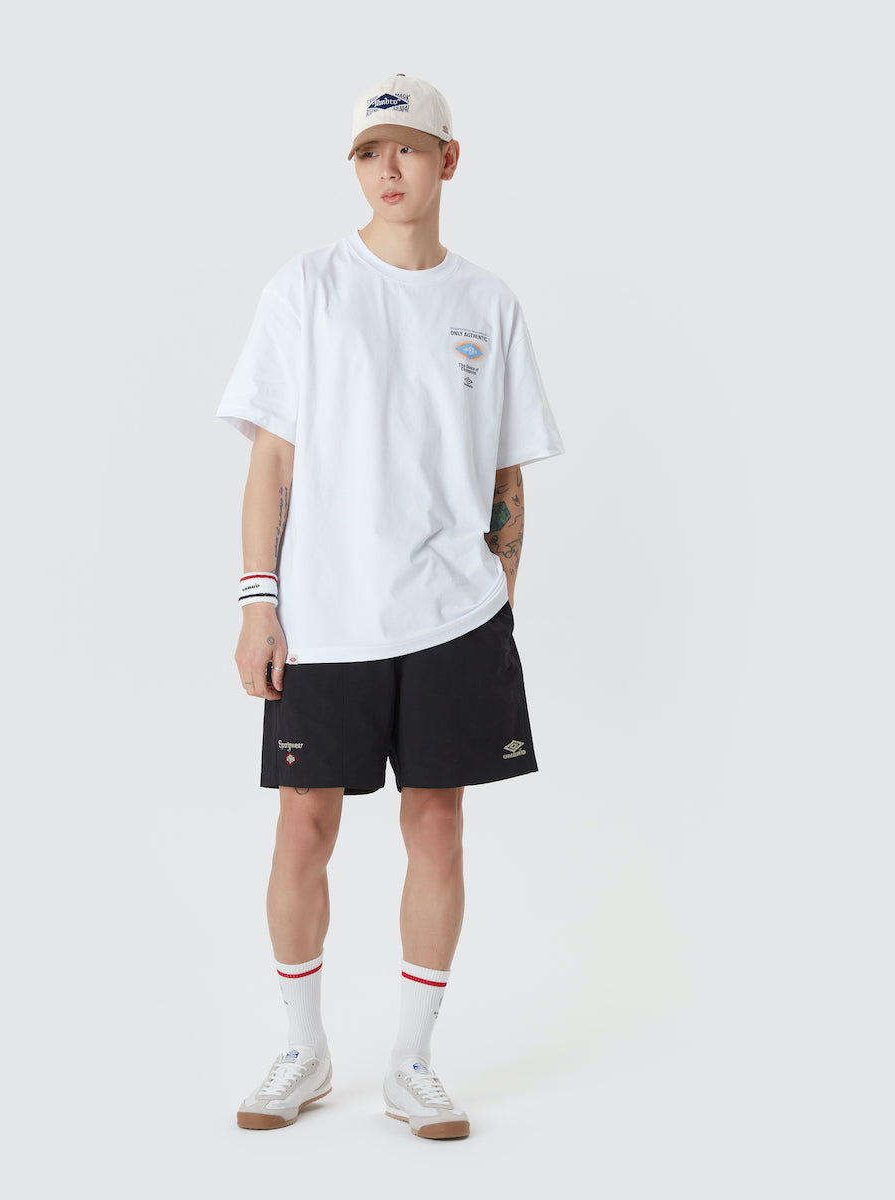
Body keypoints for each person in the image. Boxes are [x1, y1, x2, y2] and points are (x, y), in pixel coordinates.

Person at [216, 74, 565, 1140]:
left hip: (454, 619)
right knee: (303, 826)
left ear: (447, 160)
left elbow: (507, 472)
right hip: (326, 613)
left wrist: (498, 598)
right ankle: (303, 1049)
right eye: (370, 152)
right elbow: (270, 463)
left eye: (407, 148)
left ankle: (413, 1064)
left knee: (438, 825)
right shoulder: (309, 288)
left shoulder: (487, 305)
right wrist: (259, 602)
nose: (388, 169)